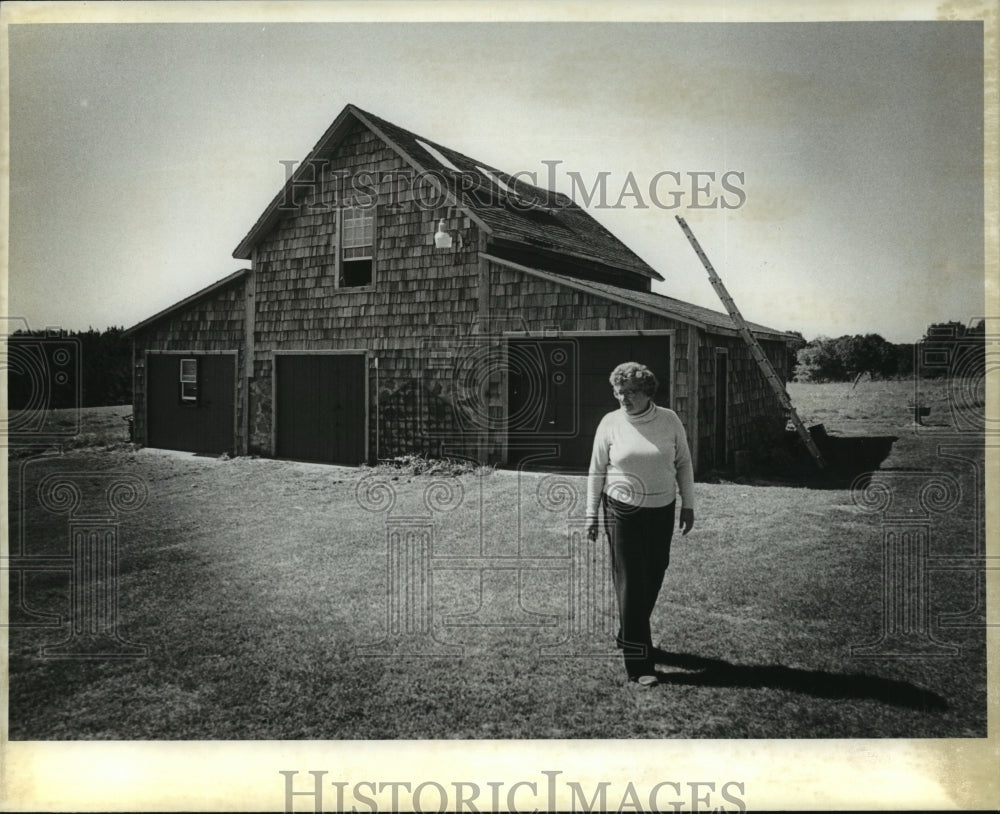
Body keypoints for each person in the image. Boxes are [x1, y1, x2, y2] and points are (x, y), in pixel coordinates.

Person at [586, 361, 695, 686]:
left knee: (654, 573)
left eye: (630, 392)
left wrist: (688, 505)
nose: (623, 398)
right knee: (631, 582)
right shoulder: (610, 423)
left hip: (662, 508)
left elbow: (684, 462)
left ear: (648, 391)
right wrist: (591, 513)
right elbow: (596, 469)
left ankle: (627, 631)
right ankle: (639, 665)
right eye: (618, 392)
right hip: (622, 511)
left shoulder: (670, 420)